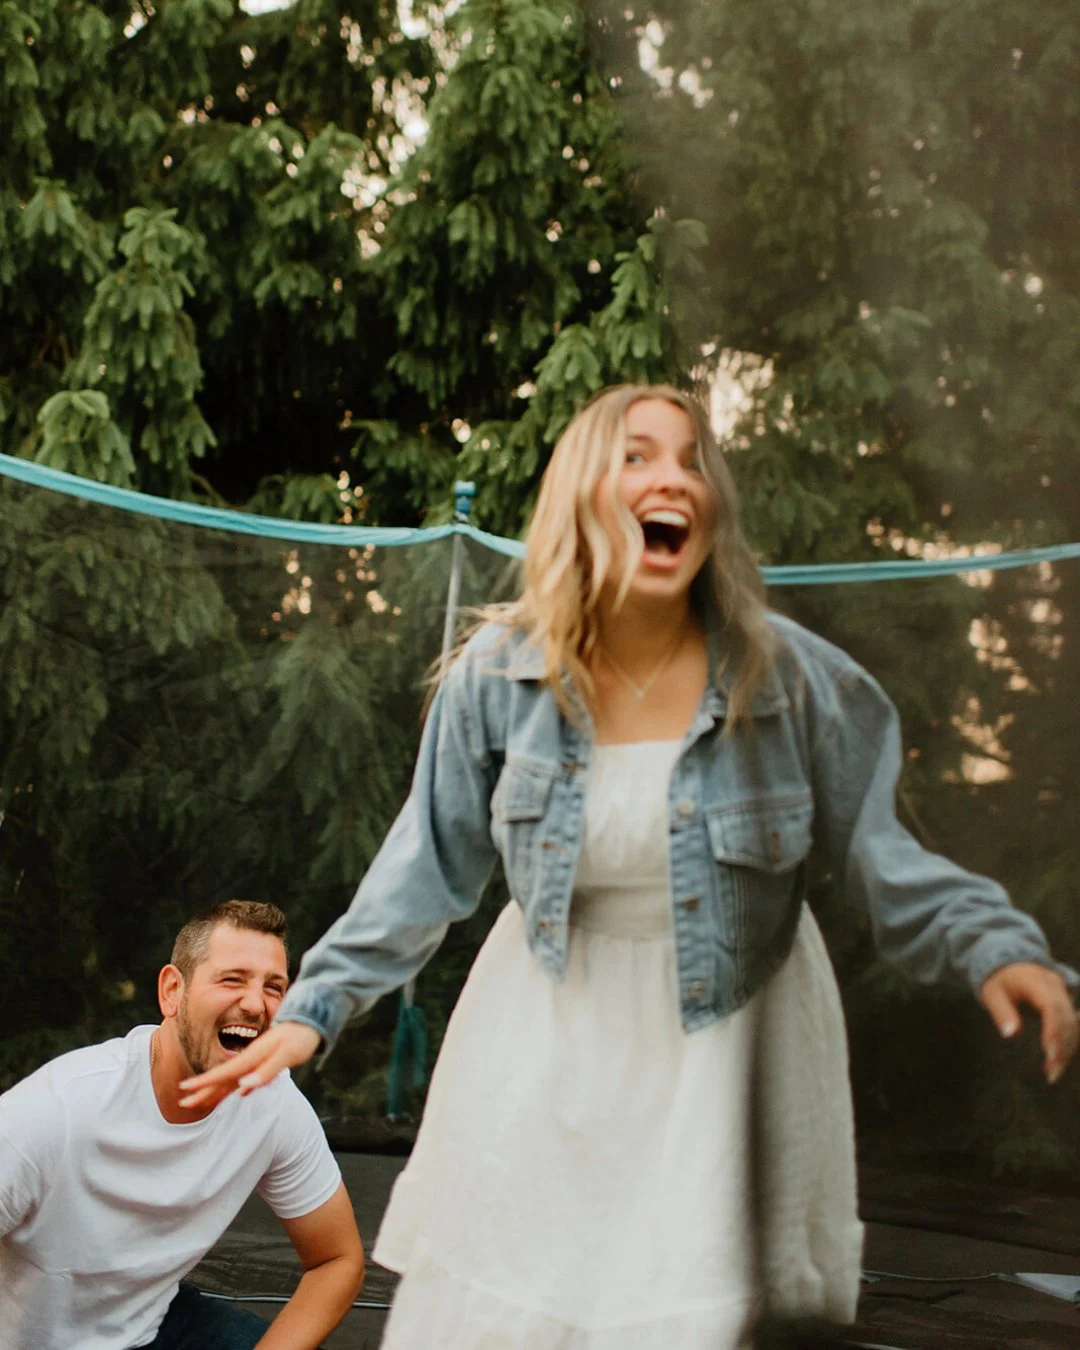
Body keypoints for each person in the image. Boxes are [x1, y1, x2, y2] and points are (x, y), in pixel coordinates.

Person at [181, 386, 1078, 1347]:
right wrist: (318, 1007)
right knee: (523, 1307)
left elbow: (881, 852)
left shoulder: (793, 680)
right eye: (641, 456)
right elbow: (427, 866)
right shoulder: (497, 678)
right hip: (550, 1035)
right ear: (583, 494)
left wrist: (991, 946)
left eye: (694, 461)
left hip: (738, 1041)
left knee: (695, 1315)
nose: (675, 481)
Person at [0, 899, 365, 1350]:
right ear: (173, 991)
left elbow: (338, 1259)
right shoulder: (59, 1107)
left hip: (154, 1322)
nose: (255, 1004)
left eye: (274, 987)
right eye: (233, 980)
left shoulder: (275, 1104)